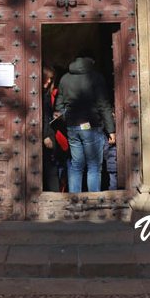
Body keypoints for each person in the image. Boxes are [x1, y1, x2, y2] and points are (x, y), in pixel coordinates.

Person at [54, 54, 115, 194]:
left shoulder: (65, 79)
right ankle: (93, 201)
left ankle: (75, 198)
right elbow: (103, 105)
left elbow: (58, 106)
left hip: (72, 128)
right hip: (92, 126)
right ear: (91, 62)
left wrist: (69, 120)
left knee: (76, 165)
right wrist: (111, 130)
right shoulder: (96, 78)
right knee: (93, 166)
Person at [41, 64, 69, 192]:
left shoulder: (46, 95)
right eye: (47, 78)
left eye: (51, 79)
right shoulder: (41, 95)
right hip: (43, 136)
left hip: (48, 135)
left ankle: (54, 194)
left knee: (51, 169)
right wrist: (45, 135)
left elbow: (46, 117)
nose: (49, 81)